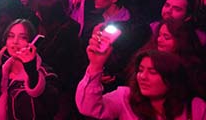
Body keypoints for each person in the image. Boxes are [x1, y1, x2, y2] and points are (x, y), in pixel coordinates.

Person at [76, 41, 206, 119]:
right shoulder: (125, 98)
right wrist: (96, 65)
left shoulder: (195, 107)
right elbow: (88, 107)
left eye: (152, 72)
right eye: (140, 70)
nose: (142, 76)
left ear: (172, 78)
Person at [0, 19, 56, 120]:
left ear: (32, 42)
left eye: (23, 37)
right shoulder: (2, 72)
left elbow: (50, 108)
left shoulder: (45, 73)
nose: (15, 42)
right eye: (11, 36)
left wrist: (32, 72)